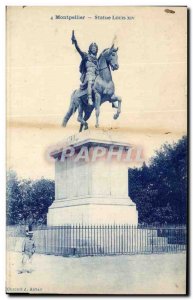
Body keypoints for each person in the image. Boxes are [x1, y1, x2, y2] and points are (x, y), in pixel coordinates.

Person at [71, 30, 99, 106]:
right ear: (90, 49)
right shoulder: (86, 56)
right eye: (92, 47)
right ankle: (89, 98)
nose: (94, 49)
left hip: (95, 75)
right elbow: (79, 50)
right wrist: (75, 42)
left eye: (95, 48)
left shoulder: (96, 60)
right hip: (88, 75)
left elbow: (98, 70)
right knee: (90, 81)